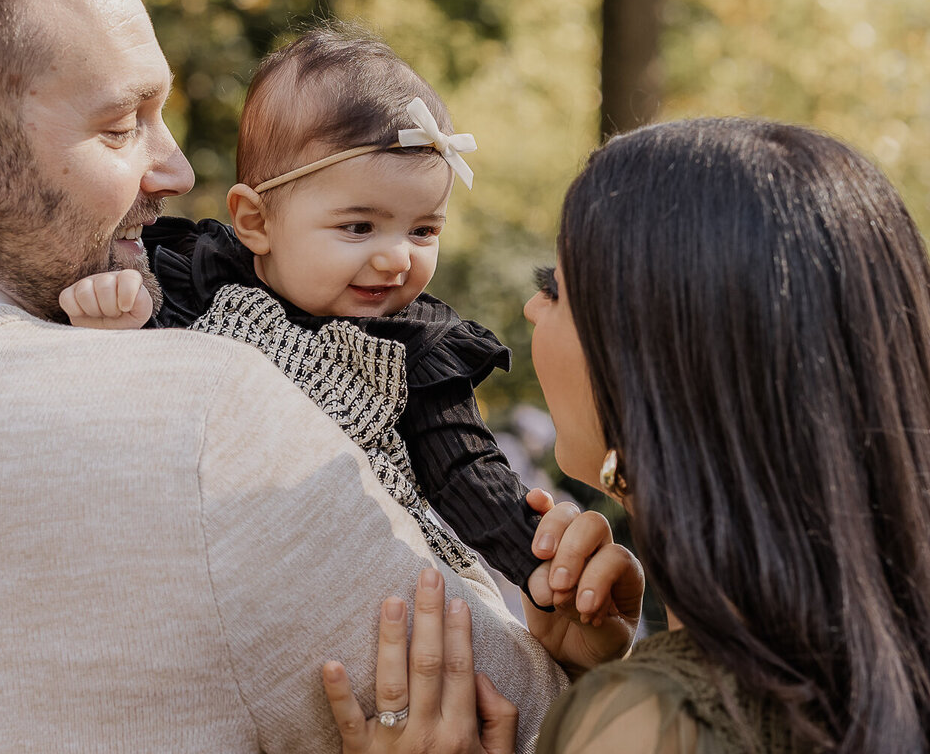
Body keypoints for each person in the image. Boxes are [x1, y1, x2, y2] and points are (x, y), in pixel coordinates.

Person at [0, 0, 641, 750]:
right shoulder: (202, 418)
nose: (176, 172)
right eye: (122, 125)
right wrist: (575, 648)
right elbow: (538, 724)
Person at [326, 117, 930, 753]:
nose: (533, 309)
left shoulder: (654, 723)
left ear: (657, 364)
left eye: (554, 288)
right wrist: (590, 682)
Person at [61, 25, 549, 601]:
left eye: (423, 230)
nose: (396, 257)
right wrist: (114, 335)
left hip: (371, 583)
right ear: (256, 222)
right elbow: (152, 407)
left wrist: (547, 565)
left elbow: (466, 473)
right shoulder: (191, 280)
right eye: (358, 227)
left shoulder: (415, 346)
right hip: (208, 567)